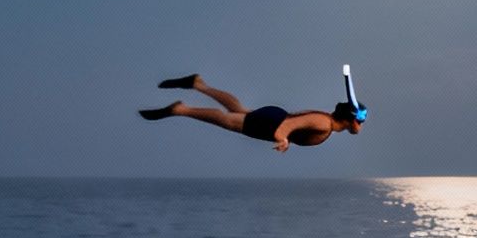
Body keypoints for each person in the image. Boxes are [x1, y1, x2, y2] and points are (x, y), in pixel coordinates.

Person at [139, 74, 362, 152]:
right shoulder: (323, 123)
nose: (361, 125)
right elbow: (291, 125)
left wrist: (285, 137)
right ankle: (181, 109)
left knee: (237, 110)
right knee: (228, 120)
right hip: (272, 125)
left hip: (272, 119)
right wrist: (282, 138)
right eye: (361, 120)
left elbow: (295, 127)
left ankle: (198, 84)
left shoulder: (327, 125)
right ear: (351, 119)